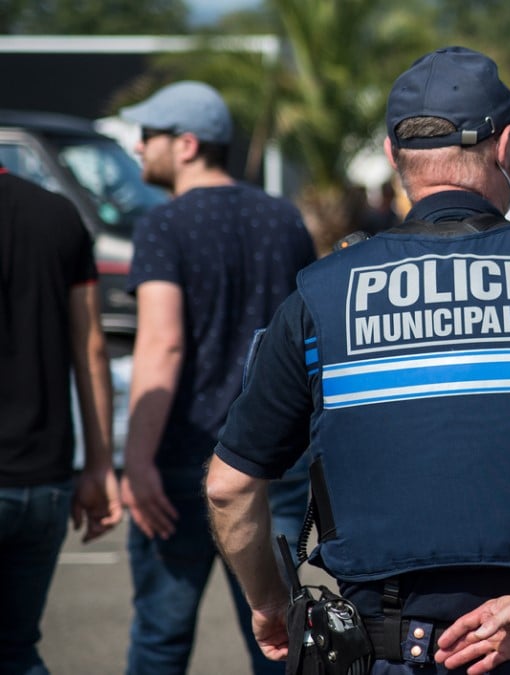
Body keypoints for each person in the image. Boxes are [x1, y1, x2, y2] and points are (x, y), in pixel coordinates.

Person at [205, 45, 510, 675]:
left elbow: (230, 486)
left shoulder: (320, 296)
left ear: (393, 156)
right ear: (503, 149)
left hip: (380, 651)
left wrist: (270, 603)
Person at [117, 81, 316, 675]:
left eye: (147, 135)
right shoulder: (285, 220)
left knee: (159, 639)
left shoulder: (163, 226)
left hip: (183, 457)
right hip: (274, 459)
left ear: (185, 144)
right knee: (281, 637)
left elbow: (162, 342)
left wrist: (137, 459)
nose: (137, 147)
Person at [0, 164, 123, 674]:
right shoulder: (58, 214)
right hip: (45, 482)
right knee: (16, 649)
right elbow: (92, 346)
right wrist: (98, 467)